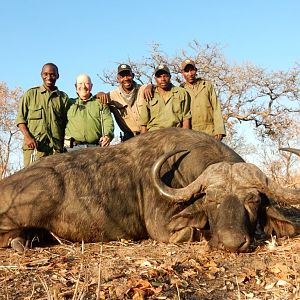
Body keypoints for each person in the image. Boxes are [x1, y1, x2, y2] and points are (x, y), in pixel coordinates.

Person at [17, 63, 70, 167]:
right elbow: (20, 120)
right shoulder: (30, 94)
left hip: (56, 150)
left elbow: (67, 123)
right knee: (31, 180)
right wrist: (28, 138)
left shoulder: (63, 98)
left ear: (58, 76)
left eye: (52, 74)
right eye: (45, 74)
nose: (49, 77)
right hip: (35, 148)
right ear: (41, 75)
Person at [97, 64, 147, 141]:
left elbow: (157, 88)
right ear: (118, 79)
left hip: (148, 134)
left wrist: (151, 86)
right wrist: (99, 94)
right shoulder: (111, 96)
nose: (126, 78)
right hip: (129, 138)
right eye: (122, 76)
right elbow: (93, 99)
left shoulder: (144, 89)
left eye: (128, 75)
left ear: (133, 75)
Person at [180, 59, 226, 141]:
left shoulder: (207, 85)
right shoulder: (181, 89)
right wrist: (150, 86)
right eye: (187, 71)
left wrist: (219, 130)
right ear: (182, 73)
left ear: (196, 70)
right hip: (192, 133)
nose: (190, 74)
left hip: (210, 131)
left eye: (192, 70)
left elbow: (216, 107)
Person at [65, 74, 114, 150]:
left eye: (87, 83)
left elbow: (107, 121)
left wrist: (107, 136)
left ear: (91, 86)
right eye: (80, 84)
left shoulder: (100, 103)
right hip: (71, 149)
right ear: (75, 87)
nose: (83, 86)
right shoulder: (68, 103)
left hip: (95, 148)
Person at [139, 65, 191, 133]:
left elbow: (186, 118)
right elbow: (144, 123)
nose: (163, 79)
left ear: (170, 77)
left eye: (165, 76)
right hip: (154, 136)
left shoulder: (181, 93)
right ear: (155, 78)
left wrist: (185, 137)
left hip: (175, 134)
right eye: (159, 77)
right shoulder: (149, 94)